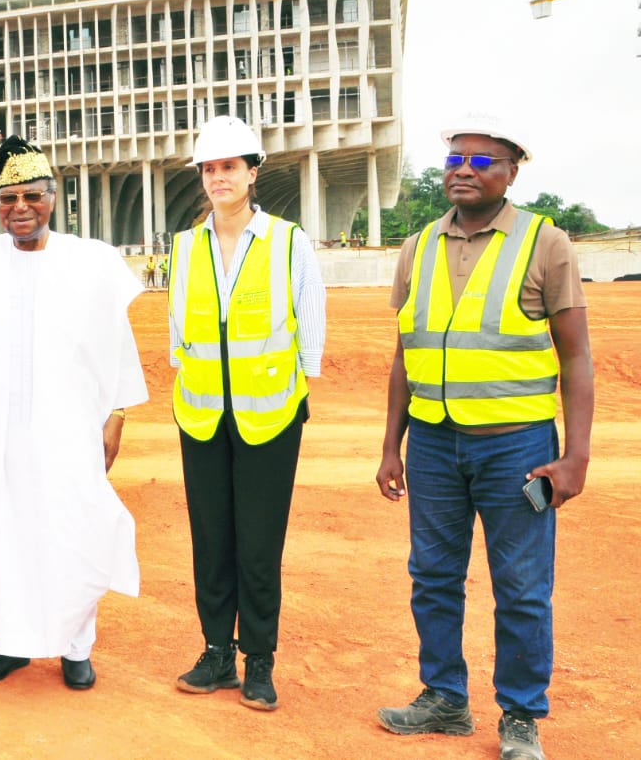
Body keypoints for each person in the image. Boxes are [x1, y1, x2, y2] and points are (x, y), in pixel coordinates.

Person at [374, 114, 593, 760]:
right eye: (454, 160)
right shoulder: (417, 247)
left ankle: (521, 716)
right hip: (435, 447)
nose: (463, 171)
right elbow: (403, 355)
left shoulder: (545, 244)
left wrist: (575, 456)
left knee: (521, 586)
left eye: (481, 161)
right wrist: (393, 444)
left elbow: (577, 358)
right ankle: (444, 696)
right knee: (433, 577)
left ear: (512, 171)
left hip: (515, 447)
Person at [0, 135, 147, 691]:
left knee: (73, 526)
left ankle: (76, 648)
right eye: (8, 199)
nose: (20, 208)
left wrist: (116, 414)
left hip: (69, 429)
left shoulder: (90, 262)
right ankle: (9, 644)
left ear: (54, 197)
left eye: (32, 196)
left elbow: (116, 345)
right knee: (5, 533)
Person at [168, 116, 326, 711]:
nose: (218, 178)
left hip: (270, 414)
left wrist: (301, 380)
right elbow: (180, 325)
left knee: (258, 542)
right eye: (209, 169)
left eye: (229, 167)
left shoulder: (287, 240)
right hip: (203, 412)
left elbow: (310, 312)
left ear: (253, 172)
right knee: (211, 540)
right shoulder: (186, 245)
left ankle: (258, 658)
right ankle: (217, 653)